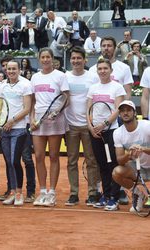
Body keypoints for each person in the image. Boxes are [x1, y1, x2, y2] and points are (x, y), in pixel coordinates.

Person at [30, 48, 69, 207]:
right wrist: (32, 118)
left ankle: (52, 193)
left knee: (53, 156)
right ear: (39, 59)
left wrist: (57, 112)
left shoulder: (60, 76)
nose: (45, 60)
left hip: (55, 121)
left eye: (48, 57)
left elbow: (67, 98)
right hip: (38, 121)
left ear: (52, 59)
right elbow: (32, 101)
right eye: (43, 57)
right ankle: (43, 192)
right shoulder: (35, 77)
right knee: (39, 156)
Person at [87, 58, 126, 211]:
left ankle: (114, 198)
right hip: (95, 132)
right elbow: (88, 109)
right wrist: (91, 127)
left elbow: (118, 109)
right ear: (97, 71)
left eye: (105, 68)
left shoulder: (117, 87)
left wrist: (104, 124)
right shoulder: (93, 88)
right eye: (100, 68)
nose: (102, 71)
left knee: (113, 164)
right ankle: (106, 194)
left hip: (111, 131)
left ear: (111, 70)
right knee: (102, 165)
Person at [64, 46, 100, 206]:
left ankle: (93, 192)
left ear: (85, 59)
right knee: (71, 161)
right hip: (70, 125)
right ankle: (74, 193)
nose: (76, 61)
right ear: (70, 60)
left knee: (91, 160)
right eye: (73, 58)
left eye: (79, 58)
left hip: (88, 125)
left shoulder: (92, 77)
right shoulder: (65, 77)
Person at [0, 60, 32, 206]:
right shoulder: (2, 86)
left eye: (14, 69)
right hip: (4, 129)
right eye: (9, 69)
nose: (11, 71)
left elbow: (27, 108)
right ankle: (11, 191)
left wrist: (12, 121)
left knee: (15, 161)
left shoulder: (25, 85)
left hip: (19, 128)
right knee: (9, 162)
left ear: (19, 70)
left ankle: (18, 193)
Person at [112, 100, 150, 214]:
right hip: (137, 169)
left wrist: (143, 149)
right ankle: (140, 195)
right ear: (119, 114)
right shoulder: (118, 133)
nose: (125, 113)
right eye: (122, 111)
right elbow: (120, 160)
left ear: (134, 113)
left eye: (128, 110)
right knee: (117, 172)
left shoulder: (147, 126)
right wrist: (129, 154)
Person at [89, 36, 133, 101]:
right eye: (103, 46)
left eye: (109, 46)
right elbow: (90, 94)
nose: (106, 48)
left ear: (115, 48)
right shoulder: (92, 70)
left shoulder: (125, 68)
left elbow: (127, 93)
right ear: (100, 48)